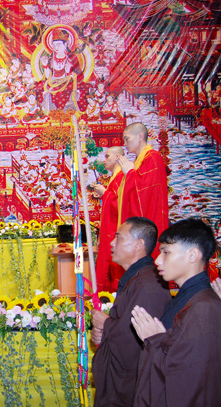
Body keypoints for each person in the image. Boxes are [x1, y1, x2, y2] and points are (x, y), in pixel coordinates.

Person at [131, 218, 221, 407]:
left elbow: (191, 380)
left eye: (166, 252)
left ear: (192, 255)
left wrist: (155, 340)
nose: (157, 260)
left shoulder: (204, 307)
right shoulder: (187, 298)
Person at [91, 217, 170, 407]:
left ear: (138, 245)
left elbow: (134, 341)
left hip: (132, 386)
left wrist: (106, 325)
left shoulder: (148, 285)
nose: (112, 243)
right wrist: (103, 332)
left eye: (119, 238)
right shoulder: (137, 278)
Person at [118, 123, 169, 254]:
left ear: (140, 136)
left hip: (150, 218)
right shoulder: (138, 161)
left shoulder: (152, 157)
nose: (125, 143)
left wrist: (130, 173)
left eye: (127, 139)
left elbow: (144, 193)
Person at [93, 146, 125, 292]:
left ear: (118, 157)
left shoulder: (121, 177)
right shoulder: (115, 177)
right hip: (110, 228)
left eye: (107, 156)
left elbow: (121, 204)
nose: (104, 160)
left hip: (115, 229)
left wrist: (105, 193)